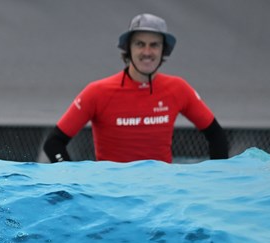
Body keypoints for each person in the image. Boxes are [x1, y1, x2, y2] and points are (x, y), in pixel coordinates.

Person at [43, 13, 229, 163]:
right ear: (128, 49)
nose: (147, 52)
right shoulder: (97, 92)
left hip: (161, 197)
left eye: (154, 45)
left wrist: (216, 182)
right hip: (112, 197)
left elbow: (217, 136)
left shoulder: (178, 88)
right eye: (140, 44)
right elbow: (53, 144)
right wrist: (74, 186)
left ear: (163, 50)